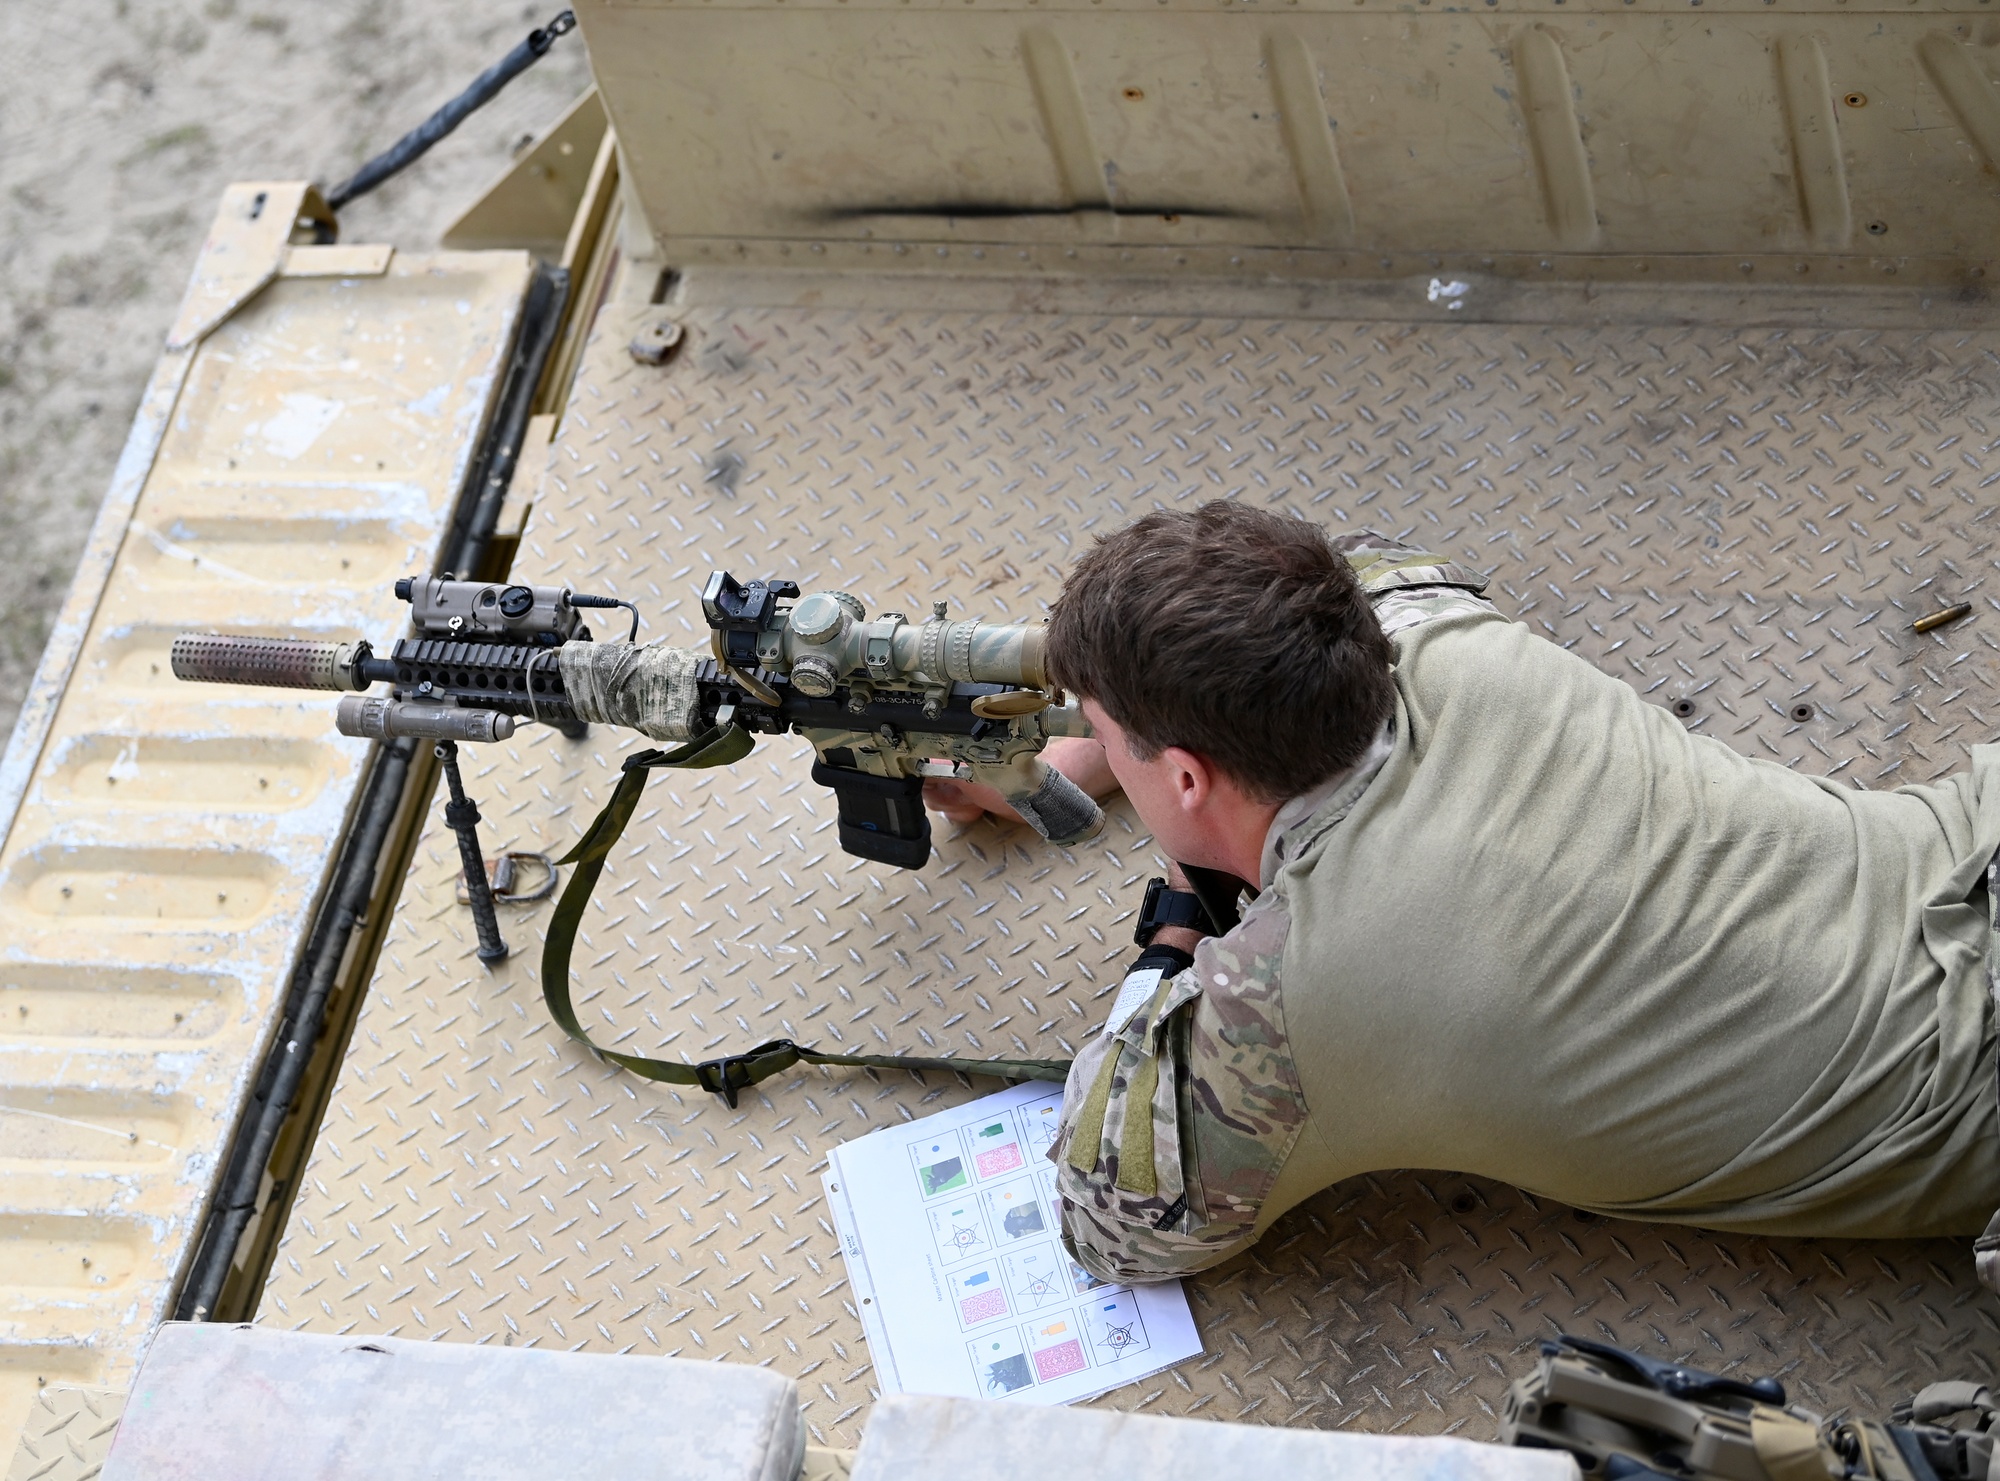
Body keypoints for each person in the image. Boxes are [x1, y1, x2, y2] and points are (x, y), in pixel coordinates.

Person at [925, 500, 2000, 1287]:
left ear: (1192, 773)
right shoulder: (1438, 636)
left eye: (1103, 726)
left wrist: (1176, 926)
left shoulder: (1289, 997)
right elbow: (1353, 563)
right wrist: (1095, 736)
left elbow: (1110, 1224)